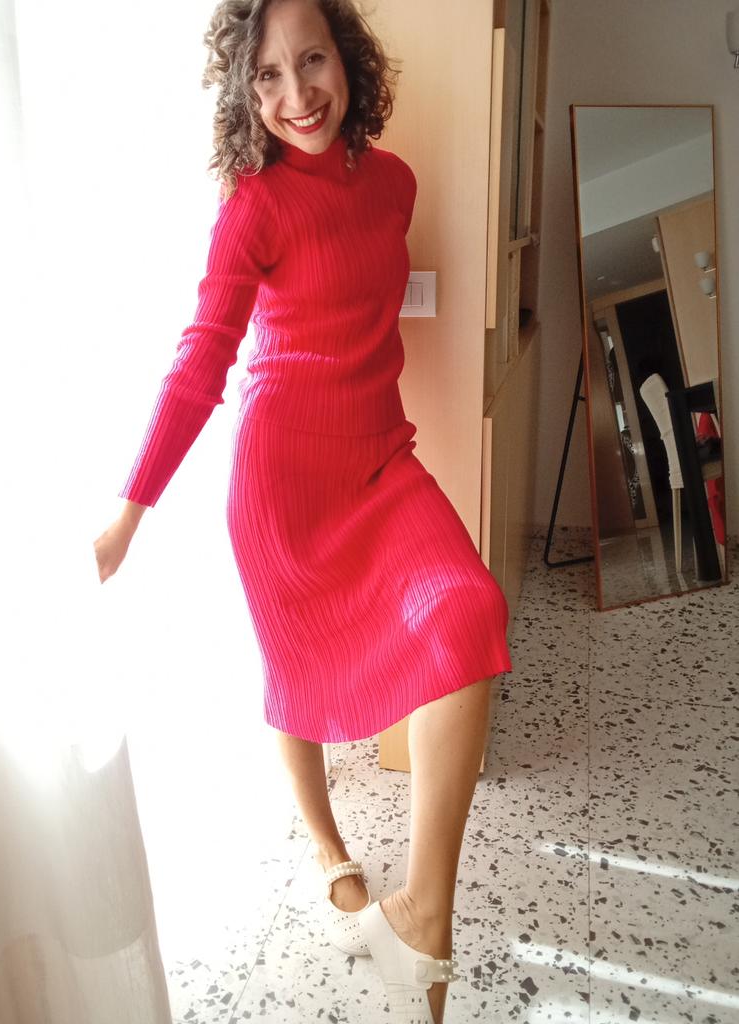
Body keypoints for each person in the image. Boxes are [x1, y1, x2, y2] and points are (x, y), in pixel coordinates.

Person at [93, 1, 512, 1020]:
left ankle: (422, 911)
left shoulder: (395, 183)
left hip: (381, 459)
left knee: (469, 613)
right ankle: (328, 849)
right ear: (245, 94)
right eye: (268, 77)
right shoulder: (254, 206)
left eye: (311, 60)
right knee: (294, 672)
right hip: (280, 480)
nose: (296, 95)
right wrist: (127, 515)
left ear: (346, 58)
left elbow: (366, 303)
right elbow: (202, 358)